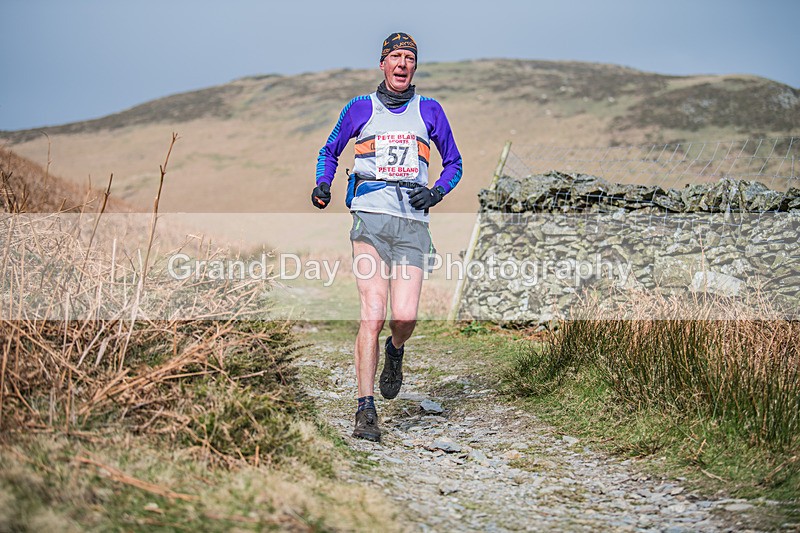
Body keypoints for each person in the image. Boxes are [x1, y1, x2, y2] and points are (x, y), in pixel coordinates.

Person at [312, 32, 463, 442]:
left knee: (405, 317)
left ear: (415, 66)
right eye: (395, 56)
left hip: (413, 224)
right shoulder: (360, 108)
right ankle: (365, 410)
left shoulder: (430, 111)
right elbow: (330, 150)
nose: (402, 64)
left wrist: (436, 192)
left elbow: (454, 162)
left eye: (409, 58)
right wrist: (323, 184)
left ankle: (395, 352)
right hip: (370, 219)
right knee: (372, 313)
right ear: (382, 63)